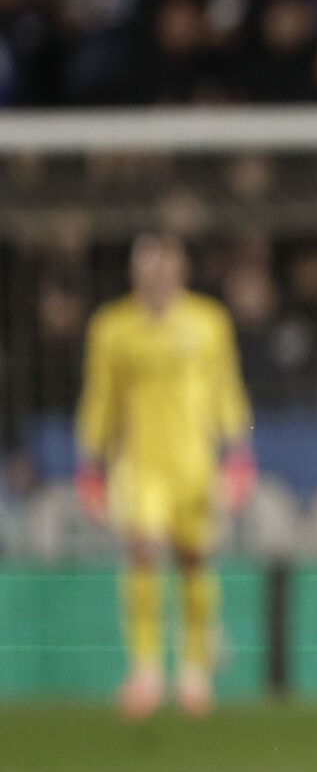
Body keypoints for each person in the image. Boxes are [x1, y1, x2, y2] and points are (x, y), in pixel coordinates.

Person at [76, 233, 255, 718]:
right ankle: (146, 670)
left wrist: (239, 454)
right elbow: (101, 398)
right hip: (139, 464)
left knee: (195, 560)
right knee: (145, 551)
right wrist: (89, 463)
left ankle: (194, 672)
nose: (155, 276)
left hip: (195, 463)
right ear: (135, 273)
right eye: (146, 268)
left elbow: (225, 389)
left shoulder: (208, 322)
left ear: (180, 270)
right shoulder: (112, 328)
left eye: (164, 266)